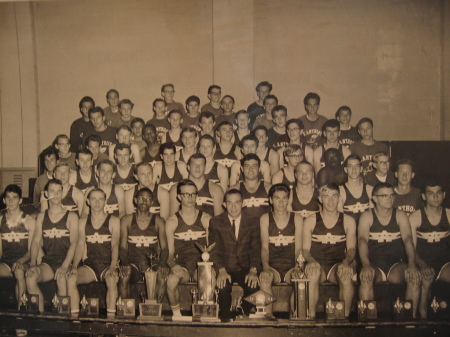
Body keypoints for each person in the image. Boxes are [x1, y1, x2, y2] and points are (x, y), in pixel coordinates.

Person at [358, 182, 421, 318]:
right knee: (366, 277)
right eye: (384, 196)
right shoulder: (367, 216)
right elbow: (362, 241)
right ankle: (367, 325)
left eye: (392, 195)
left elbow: (408, 240)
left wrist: (411, 265)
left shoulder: (400, 215)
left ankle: (410, 322)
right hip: (374, 265)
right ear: (375, 198)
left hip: (395, 266)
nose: (389, 199)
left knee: (414, 277)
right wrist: (366, 264)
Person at [303, 183, 357, 318]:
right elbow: (305, 250)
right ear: (320, 199)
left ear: (339, 198)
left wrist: (346, 262)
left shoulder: (348, 220)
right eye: (326, 197)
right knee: (313, 273)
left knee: (345, 274)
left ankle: (343, 318)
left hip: (336, 265)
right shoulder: (311, 220)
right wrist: (311, 261)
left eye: (334, 196)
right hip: (318, 264)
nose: (331, 201)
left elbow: (351, 249)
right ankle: (310, 317)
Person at [26, 179, 79, 312]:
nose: (55, 194)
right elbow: (36, 242)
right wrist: (32, 264)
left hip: (66, 262)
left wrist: (65, 266)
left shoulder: (71, 216)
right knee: (30, 277)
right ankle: (41, 317)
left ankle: (63, 321)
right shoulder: (42, 217)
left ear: (62, 193)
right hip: (49, 263)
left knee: (61, 279)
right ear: (46, 194)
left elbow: (74, 243)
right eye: (52, 191)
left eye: (58, 191)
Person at [209, 189, 261, 322]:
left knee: (254, 286)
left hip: (245, 267)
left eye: (237, 203)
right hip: (225, 268)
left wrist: (253, 270)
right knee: (222, 286)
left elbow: (255, 248)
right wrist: (220, 270)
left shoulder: (253, 221)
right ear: (224, 205)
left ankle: (241, 311)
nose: (233, 207)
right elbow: (215, 250)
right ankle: (225, 318)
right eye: (230, 203)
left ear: (242, 204)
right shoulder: (216, 222)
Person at [67, 188, 120, 317]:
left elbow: (115, 245)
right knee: (71, 278)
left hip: (107, 265)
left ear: (105, 201)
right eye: (94, 199)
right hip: (90, 266)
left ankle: (111, 321)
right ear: (88, 201)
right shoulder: (83, 221)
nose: (97, 202)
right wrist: (74, 266)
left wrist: (113, 267)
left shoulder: (113, 220)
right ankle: (75, 321)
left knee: (112, 280)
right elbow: (80, 245)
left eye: (100, 199)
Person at [165, 180, 211, 316]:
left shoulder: (206, 219)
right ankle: (177, 315)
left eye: (193, 194)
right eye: (186, 194)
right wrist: (173, 265)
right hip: (182, 265)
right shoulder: (172, 221)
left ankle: (205, 313)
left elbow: (211, 249)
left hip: (201, 265)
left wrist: (208, 267)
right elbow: (169, 252)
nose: (190, 198)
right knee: (171, 280)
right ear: (179, 196)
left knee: (209, 278)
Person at [259, 184, 303, 316]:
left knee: (300, 279)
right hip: (273, 266)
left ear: (288, 199)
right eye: (277, 198)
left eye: (284, 198)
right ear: (270, 200)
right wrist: (266, 267)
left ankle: (295, 317)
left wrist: (297, 267)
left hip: (291, 266)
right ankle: (267, 318)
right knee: (265, 279)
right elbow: (264, 248)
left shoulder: (297, 218)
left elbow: (299, 248)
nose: (281, 202)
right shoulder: (265, 218)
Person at [119, 187, 169, 300]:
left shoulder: (159, 221)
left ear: (152, 202)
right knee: (124, 276)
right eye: (141, 198)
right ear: (135, 200)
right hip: (133, 263)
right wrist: (125, 262)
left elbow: (165, 248)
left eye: (148, 199)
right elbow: (122, 247)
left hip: (152, 263)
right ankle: (127, 309)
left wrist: (163, 264)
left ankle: (155, 309)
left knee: (162, 276)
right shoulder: (126, 220)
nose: (144, 201)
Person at [409, 182, 450, 318]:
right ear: (424, 196)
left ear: (444, 195)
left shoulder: (449, 215)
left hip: (444, 264)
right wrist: (422, 265)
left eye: (438, 193)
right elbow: (411, 250)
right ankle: (419, 322)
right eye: (430, 193)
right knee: (425, 281)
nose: (435, 197)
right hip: (423, 263)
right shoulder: (415, 217)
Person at [0, 185, 36, 310]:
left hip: (24, 261)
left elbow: (32, 250)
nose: (11, 201)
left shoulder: (29, 220)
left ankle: (22, 312)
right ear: (4, 200)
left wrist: (20, 261)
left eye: (14, 198)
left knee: (19, 271)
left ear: (20, 200)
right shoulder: (0, 220)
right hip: (6, 262)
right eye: (8, 198)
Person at [229, 154, 271, 224]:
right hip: (243, 231)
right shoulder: (234, 189)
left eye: (254, 166)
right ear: (242, 169)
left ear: (259, 168)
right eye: (247, 166)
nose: (250, 169)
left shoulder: (269, 188)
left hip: (265, 230)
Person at [339, 155, 373, 222]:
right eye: (350, 166)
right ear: (345, 170)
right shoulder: (340, 190)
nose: (354, 169)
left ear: (361, 169)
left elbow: (372, 217)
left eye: (357, 166)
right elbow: (340, 219)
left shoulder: (370, 189)